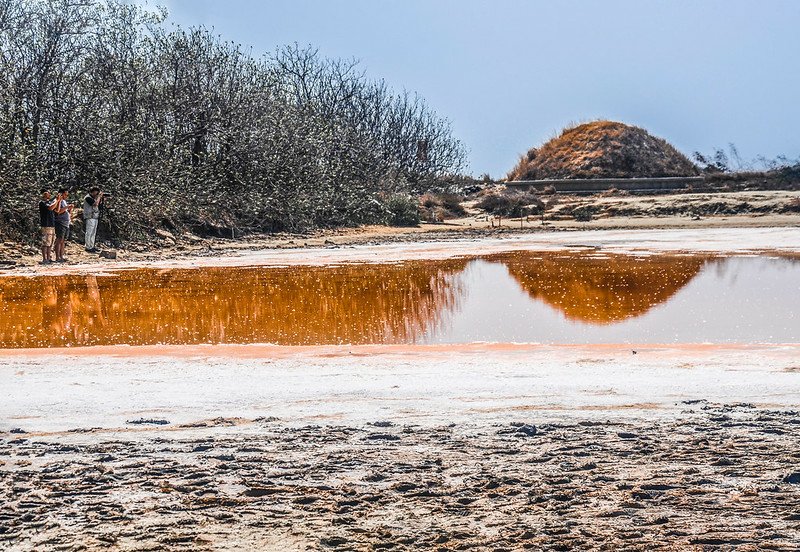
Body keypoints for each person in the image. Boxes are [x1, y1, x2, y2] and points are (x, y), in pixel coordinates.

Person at [53, 188, 74, 263]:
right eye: (65, 194)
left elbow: (65, 211)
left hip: (66, 223)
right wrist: (67, 207)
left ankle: (61, 256)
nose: (66, 196)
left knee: (63, 240)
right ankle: (57, 257)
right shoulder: (57, 201)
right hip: (60, 222)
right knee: (59, 240)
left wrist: (69, 209)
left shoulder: (64, 201)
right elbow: (58, 211)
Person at [38, 188, 58, 264]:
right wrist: (57, 200)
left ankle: (48, 258)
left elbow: (55, 208)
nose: (49, 194)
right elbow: (50, 208)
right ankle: (44, 258)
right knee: (45, 242)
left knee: (50, 242)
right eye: (48, 193)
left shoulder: (49, 202)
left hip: (51, 224)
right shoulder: (42, 203)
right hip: (46, 225)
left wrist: (57, 200)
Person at [83, 186, 104, 253]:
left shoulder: (94, 198)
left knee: (93, 232)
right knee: (89, 232)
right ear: (93, 192)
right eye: (96, 192)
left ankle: (92, 246)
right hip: (90, 216)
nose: (97, 194)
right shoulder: (88, 198)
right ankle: (87, 246)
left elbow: (99, 206)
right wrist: (99, 197)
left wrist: (101, 199)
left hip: (95, 216)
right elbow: (95, 204)